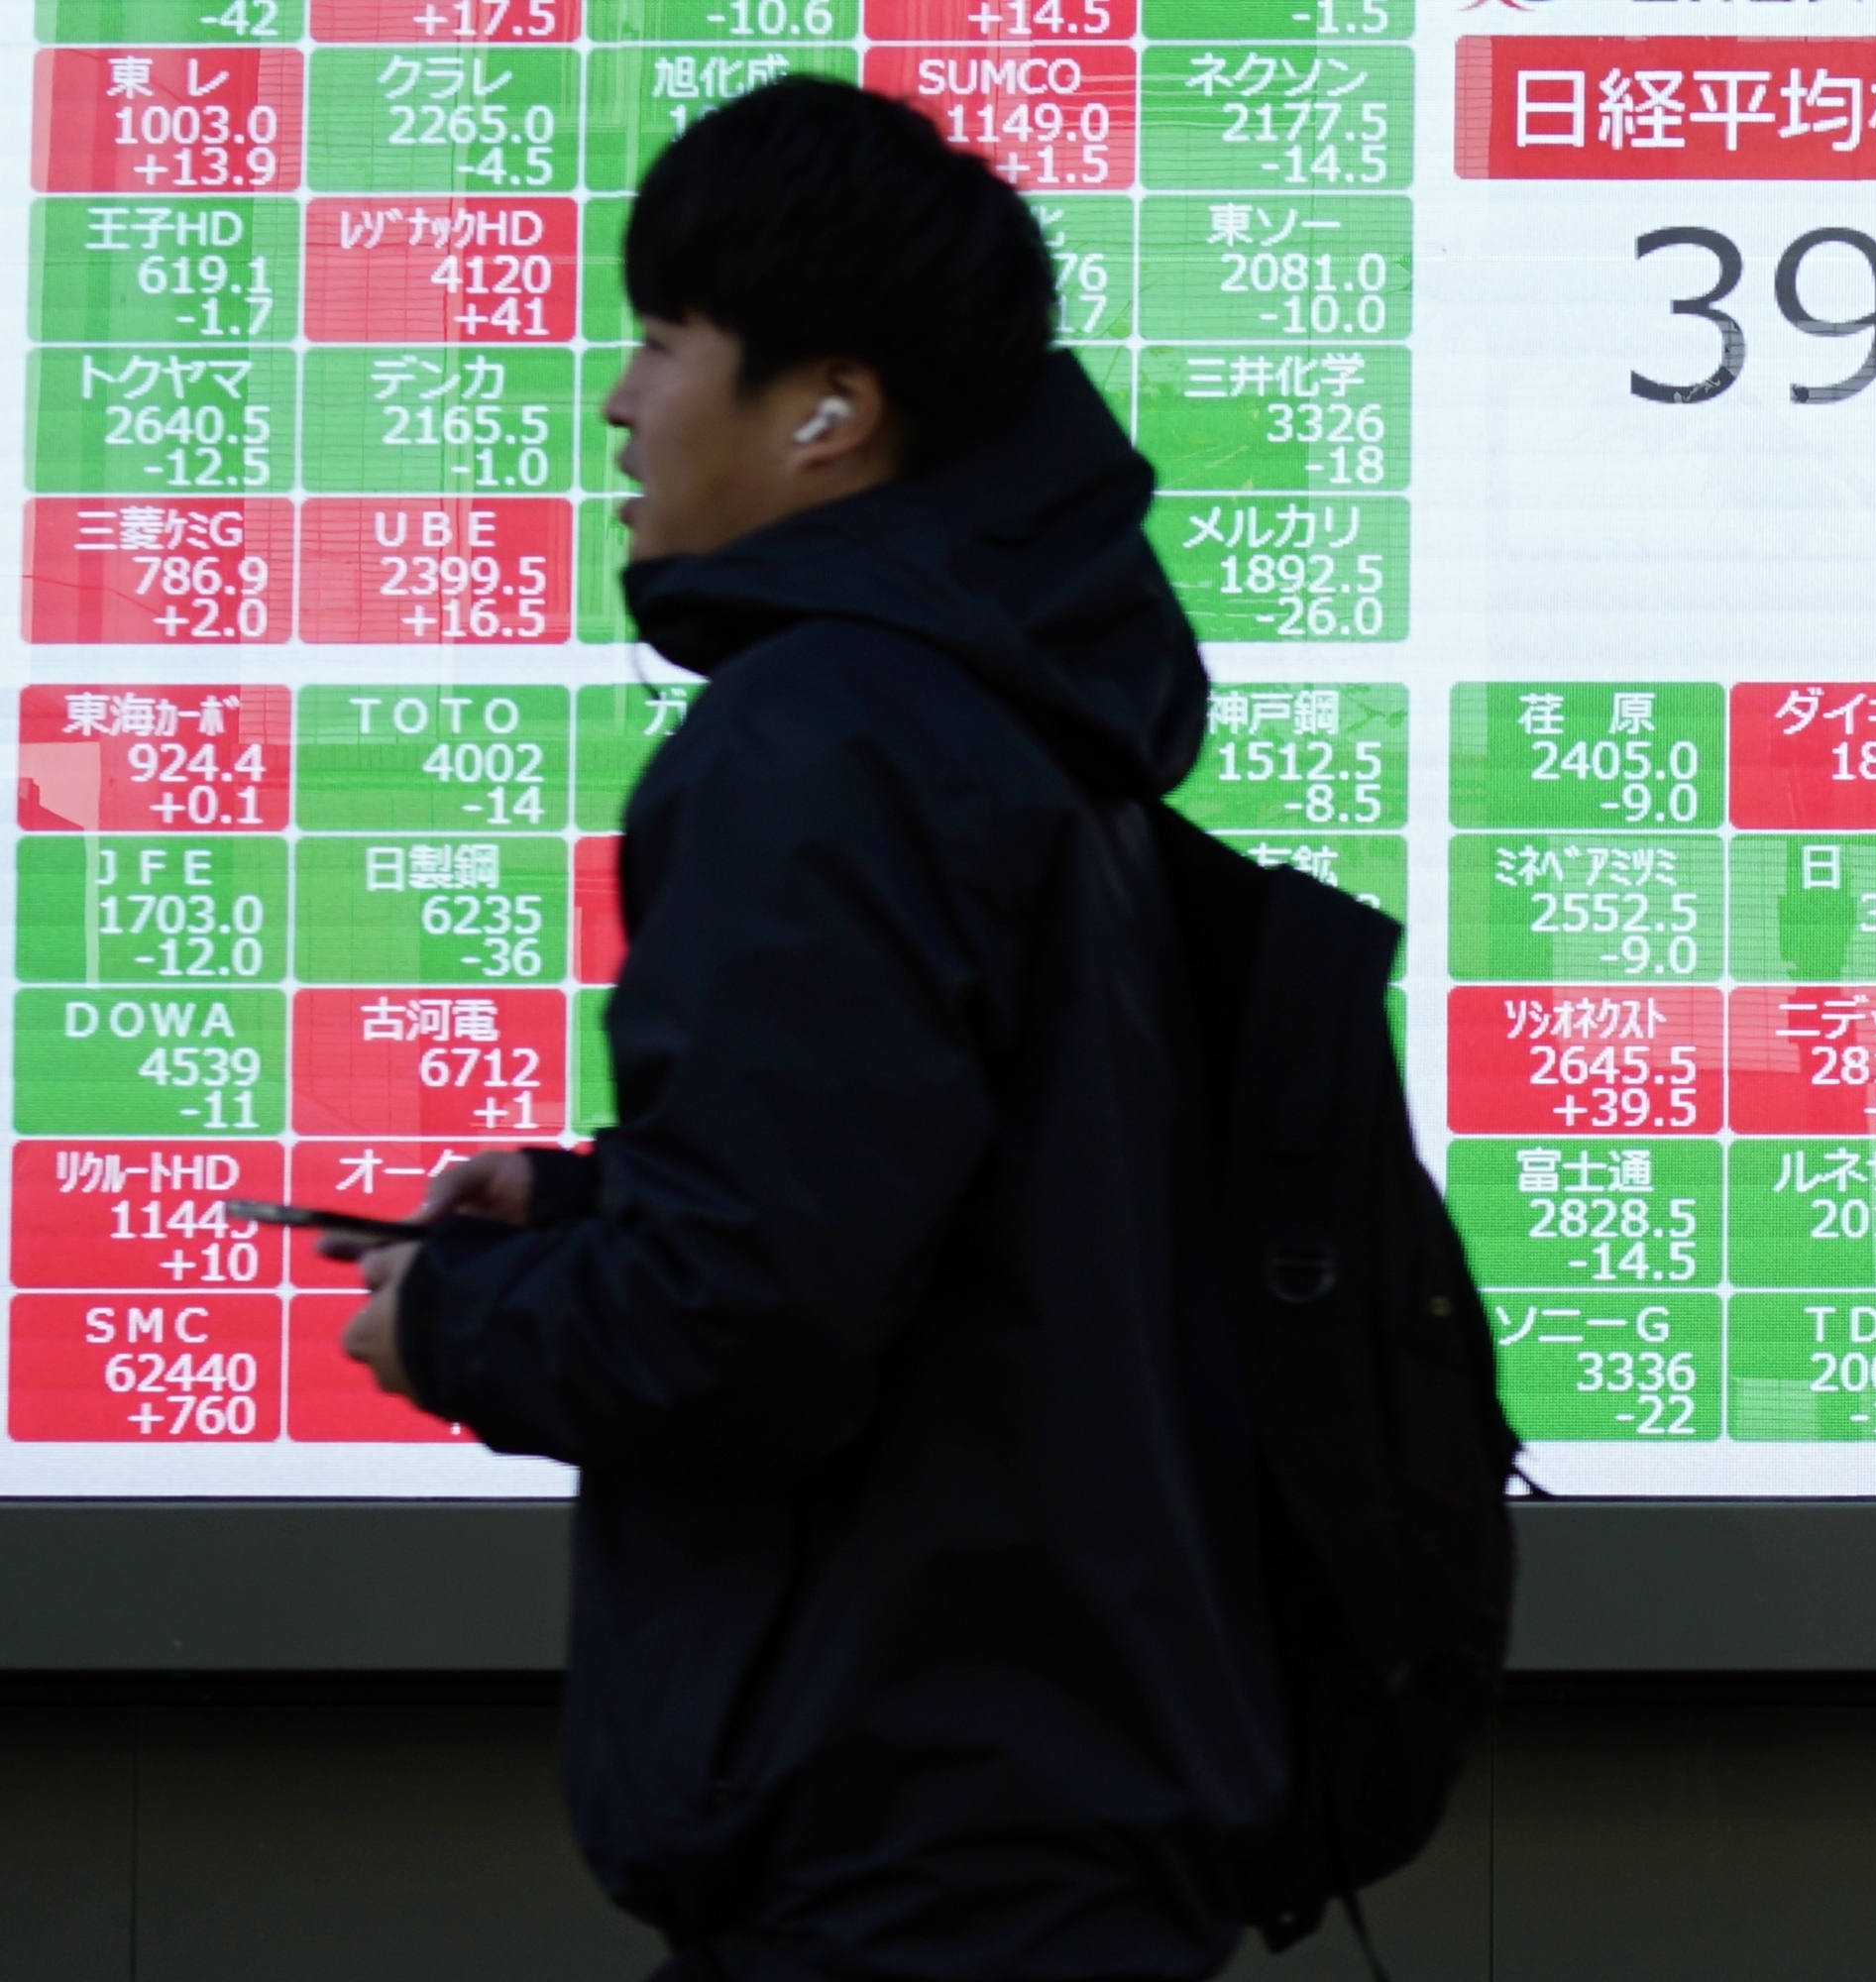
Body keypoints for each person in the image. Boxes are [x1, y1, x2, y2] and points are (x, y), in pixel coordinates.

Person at [324, 77, 1291, 1982]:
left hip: (898, 1848)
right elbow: (951, 1232)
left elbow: (742, 1332)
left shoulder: (827, 732)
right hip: (1039, 1819)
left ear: (829, 410)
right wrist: (603, 1209)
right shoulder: (1022, 734)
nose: (620, 400)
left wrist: (449, 1315)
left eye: (668, 339)